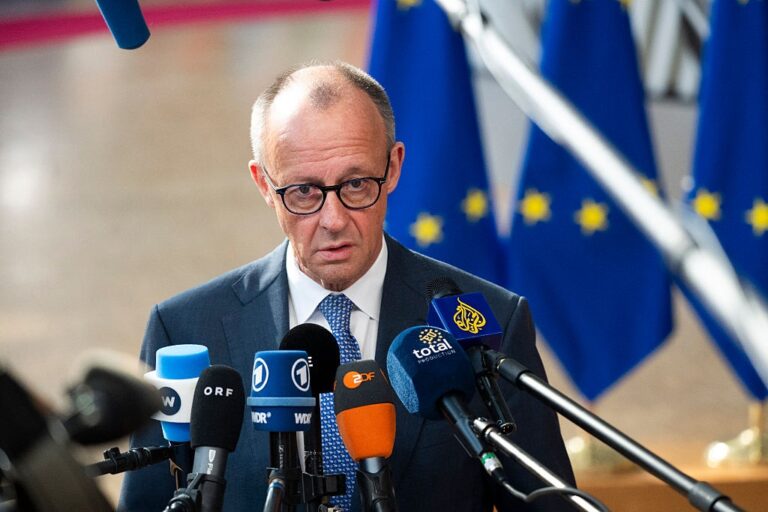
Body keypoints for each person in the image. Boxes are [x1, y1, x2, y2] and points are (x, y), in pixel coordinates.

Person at [119, 61, 574, 511]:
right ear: (264, 184)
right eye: (303, 191)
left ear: (393, 167)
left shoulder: (489, 322)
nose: (333, 220)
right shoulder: (185, 330)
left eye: (356, 184)